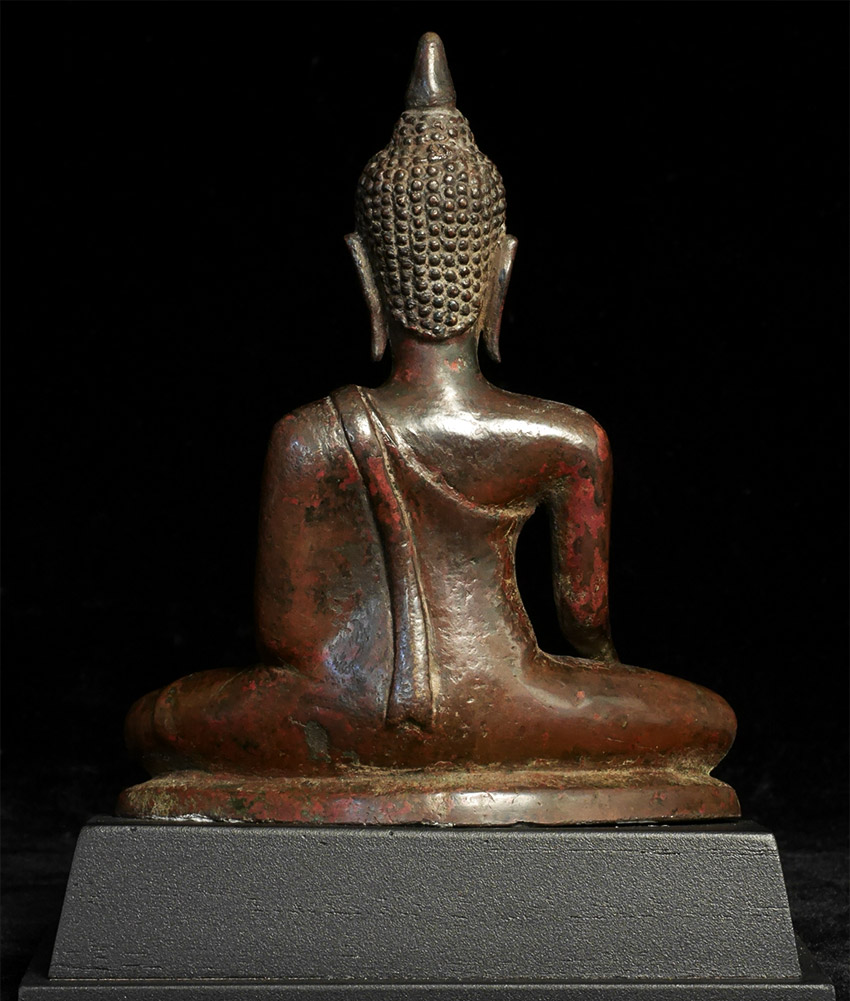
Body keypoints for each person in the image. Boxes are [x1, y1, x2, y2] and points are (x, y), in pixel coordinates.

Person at [119, 34, 737, 825]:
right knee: (706, 721)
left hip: (337, 714)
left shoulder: (306, 436)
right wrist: (596, 683)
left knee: (158, 722)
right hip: (510, 703)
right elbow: (585, 628)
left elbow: (284, 638)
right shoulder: (566, 438)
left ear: (364, 273)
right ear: (501, 271)